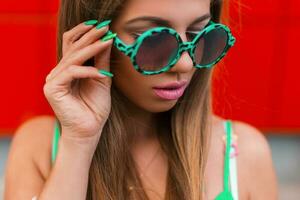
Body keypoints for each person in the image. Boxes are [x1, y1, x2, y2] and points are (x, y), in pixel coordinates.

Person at [4, 0, 278, 199]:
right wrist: (79, 142)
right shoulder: (38, 148)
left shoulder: (244, 154)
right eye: (154, 39)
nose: (184, 64)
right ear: (92, 39)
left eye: (199, 35)